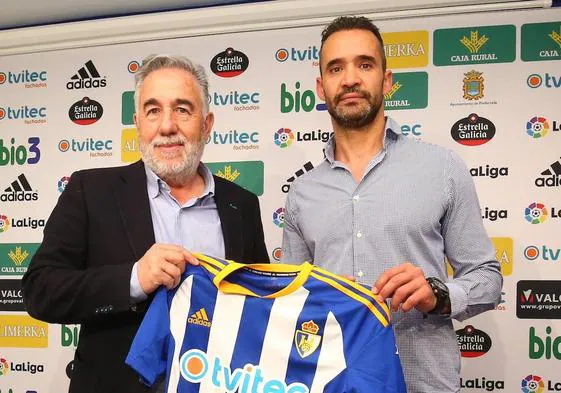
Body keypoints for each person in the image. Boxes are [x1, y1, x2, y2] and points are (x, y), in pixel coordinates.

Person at [22, 54, 269, 393]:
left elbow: (260, 305)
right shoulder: (89, 191)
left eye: (182, 109)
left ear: (207, 124)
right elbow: (40, 291)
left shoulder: (241, 204)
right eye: (154, 111)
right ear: (138, 122)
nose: (167, 126)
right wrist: (134, 278)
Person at [281, 16, 502, 393]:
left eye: (365, 64)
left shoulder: (442, 168)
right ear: (321, 87)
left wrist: (438, 295)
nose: (350, 79)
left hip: (424, 382)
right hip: (330, 382)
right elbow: (290, 303)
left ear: (387, 80)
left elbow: (489, 279)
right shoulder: (302, 193)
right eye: (336, 68)